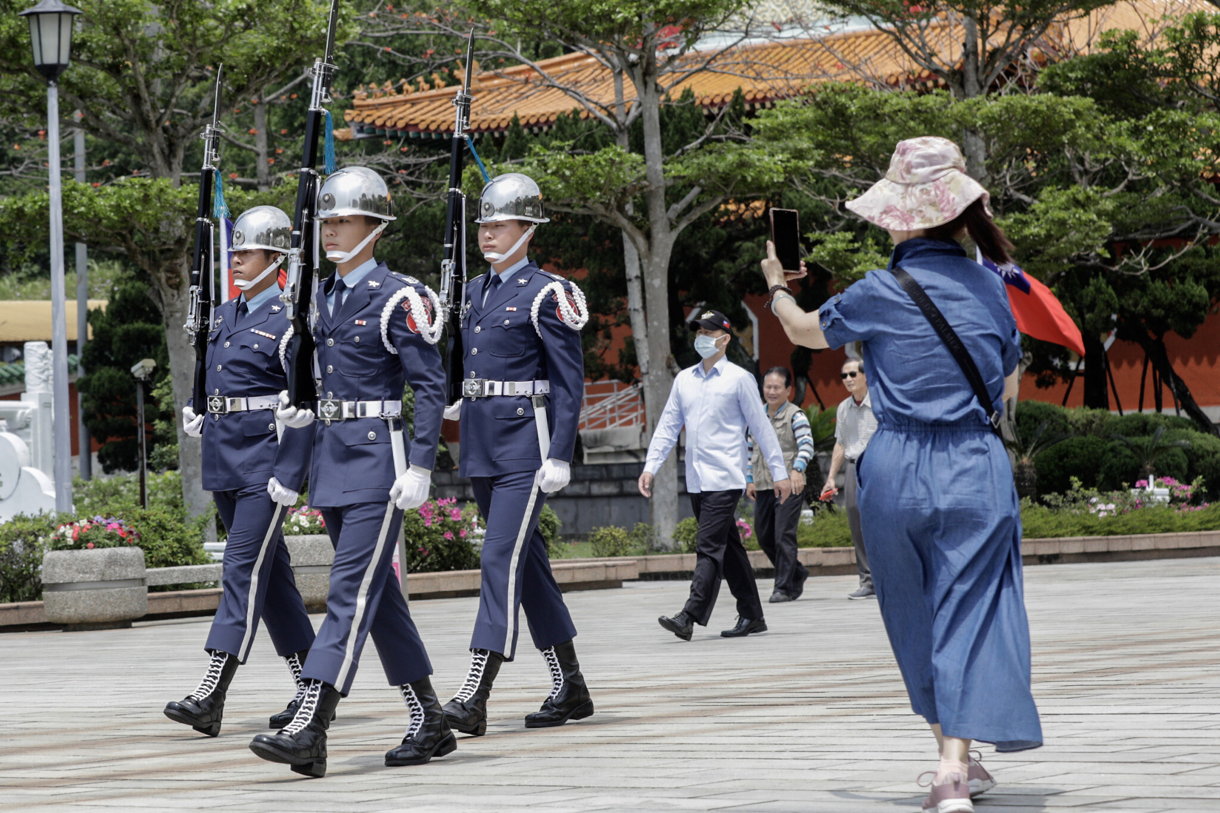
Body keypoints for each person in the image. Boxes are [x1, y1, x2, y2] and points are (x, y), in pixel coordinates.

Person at [759, 136, 1038, 812]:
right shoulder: (998, 286)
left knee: (911, 610)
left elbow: (801, 330)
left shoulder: (880, 291)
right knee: (971, 609)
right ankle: (955, 764)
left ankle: (951, 757)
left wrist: (775, 283)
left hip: (895, 466)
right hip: (973, 462)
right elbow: (1008, 387)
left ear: (905, 216)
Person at [247, 167, 454, 777]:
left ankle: (311, 725)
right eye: (326, 221)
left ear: (375, 227)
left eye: (343, 220)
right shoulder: (321, 298)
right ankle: (431, 720)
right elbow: (313, 393)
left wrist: (421, 465)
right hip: (332, 462)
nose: (331, 230)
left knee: (347, 592)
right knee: (378, 596)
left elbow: (430, 385)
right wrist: (293, 460)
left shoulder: (399, 296)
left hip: (378, 463)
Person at [440, 172, 595, 738]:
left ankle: (474, 691)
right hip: (483, 446)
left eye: (499, 224)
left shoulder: (548, 292)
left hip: (526, 449)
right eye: (483, 224)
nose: (487, 233)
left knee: (498, 559)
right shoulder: (475, 291)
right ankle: (571, 685)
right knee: (527, 569)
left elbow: (569, 382)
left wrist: (559, 452)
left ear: (527, 229)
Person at [165, 205, 317, 738]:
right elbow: (210, 378)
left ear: (276, 260)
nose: (236, 260)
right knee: (272, 579)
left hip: (265, 463)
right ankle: (310, 685)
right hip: (225, 458)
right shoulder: (224, 315)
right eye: (234, 252)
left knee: (240, 567)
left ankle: (212, 691)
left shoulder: (288, 319)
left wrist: (292, 470)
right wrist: (196, 408)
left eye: (247, 252)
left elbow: (305, 402)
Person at [640, 310, 794, 641]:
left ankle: (689, 615)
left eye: (709, 333)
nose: (702, 339)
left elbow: (760, 427)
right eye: (699, 332)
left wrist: (779, 474)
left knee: (708, 546)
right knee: (730, 548)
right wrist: (651, 466)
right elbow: (668, 426)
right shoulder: (684, 380)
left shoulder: (739, 379)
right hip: (697, 478)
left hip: (726, 476)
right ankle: (753, 615)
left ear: (724, 339)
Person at [745, 367, 813, 603]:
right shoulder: (756, 416)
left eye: (776, 387)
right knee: (764, 536)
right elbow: (749, 449)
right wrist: (749, 479)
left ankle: (783, 587)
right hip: (763, 485)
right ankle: (797, 572)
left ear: (788, 390)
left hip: (789, 484)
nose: (771, 391)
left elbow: (806, 445)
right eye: (767, 387)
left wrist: (797, 470)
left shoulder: (796, 415)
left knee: (783, 535)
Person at [821, 358, 878, 599]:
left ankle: (890, 578)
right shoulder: (844, 408)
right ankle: (867, 581)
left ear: (866, 375)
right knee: (856, 520)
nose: (848, 379)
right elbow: (841, 444)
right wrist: (831, 478)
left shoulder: (881, 402)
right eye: (844, 376)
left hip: (879, 466)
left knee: (883, 522)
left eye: (853, 374)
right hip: (854, 467)